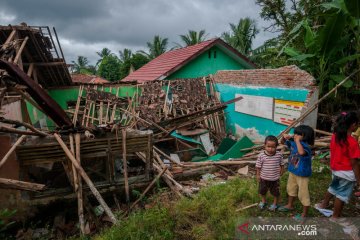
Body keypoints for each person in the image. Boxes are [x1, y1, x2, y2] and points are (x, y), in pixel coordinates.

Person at [315, 111, 360, 219]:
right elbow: (354, 163)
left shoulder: (336, 136)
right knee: (341, 196)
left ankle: (323, 204)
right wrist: (359, 180)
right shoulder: (352, 142)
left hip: (336, 169)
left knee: (334, 187)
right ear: (353, 125)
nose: (358, 126)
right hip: (347, 173)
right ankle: (335, 217)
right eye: (357, 124)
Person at [278, 125, 315, 222]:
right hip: (293, 171)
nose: (295, 135)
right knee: (291, 188)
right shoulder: (294, 143)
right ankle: (290, 205)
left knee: (303, 193)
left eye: (298, 134)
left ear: (305, 136)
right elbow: (282, 142)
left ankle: (304, 214)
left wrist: (297, 141)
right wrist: (284, 137)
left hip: (302, 174)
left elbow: (301, 153)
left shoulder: (306, 147)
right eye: (295, 133)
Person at [256, 135, 284, 211]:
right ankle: (263, 201)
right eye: (268, 146)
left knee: (276, 192)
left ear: (276, 146)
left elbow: (282, 164)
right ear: (264, 145)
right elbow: (258, 166)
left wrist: (282, 170)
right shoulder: (261, 155)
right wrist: (258, 175)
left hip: (275, 179)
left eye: (273, 147)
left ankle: (275, 204)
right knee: (262, 191)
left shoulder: (279, 155)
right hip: (264, 178)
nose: (270, 149)